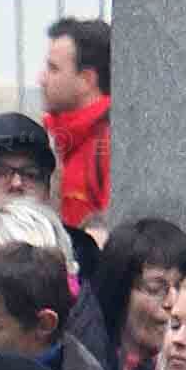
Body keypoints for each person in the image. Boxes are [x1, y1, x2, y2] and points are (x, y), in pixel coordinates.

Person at [41, 18, 113, 233]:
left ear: (87, 80)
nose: (42, 79)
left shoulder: (111, 143)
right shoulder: (58, 139)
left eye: (53, 69)